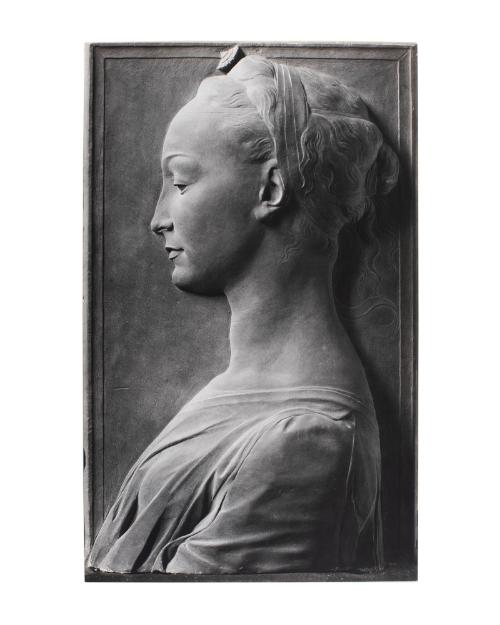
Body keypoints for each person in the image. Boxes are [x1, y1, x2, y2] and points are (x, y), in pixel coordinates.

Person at [88, 50, 399, 574]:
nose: (158, 219)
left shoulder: (306, 442)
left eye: (181, 183)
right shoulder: (248, 393)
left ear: (271, 187)